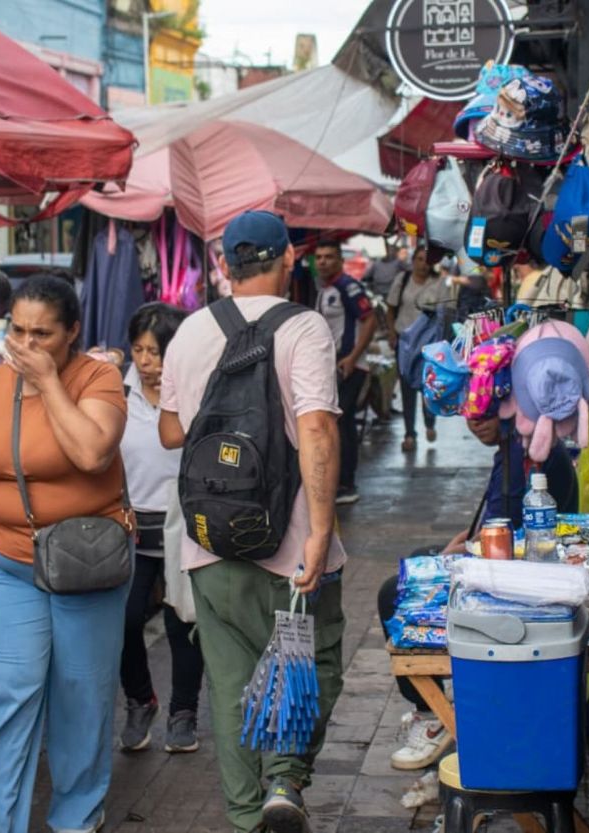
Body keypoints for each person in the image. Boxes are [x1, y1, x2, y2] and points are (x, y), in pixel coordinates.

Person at [158, 211, 346, 833]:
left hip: (208, 540)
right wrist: (320, 531)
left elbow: (171, 432)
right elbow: (316, 425)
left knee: (232, 682)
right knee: (306, 662)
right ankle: (284, 782)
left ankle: (244, 817)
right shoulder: (304, 327)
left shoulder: (187, 332)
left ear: (223, 267)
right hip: (290, 543)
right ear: (287, 258)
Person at [0, 276, 131, 833]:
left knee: (81, 696)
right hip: (9, 561)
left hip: (84, 565)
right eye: (16, 330)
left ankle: (76, 816)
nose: (24, 344)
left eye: (42, 334)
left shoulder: (98, 378)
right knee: (12, 691)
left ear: (72, 332)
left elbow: (94, 453)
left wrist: (49, 383)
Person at [378, 414, 579, 771]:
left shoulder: (524, 456)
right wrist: (461, 546)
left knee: (393, 593)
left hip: (516, 589)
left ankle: (431, 714)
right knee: (415, 560)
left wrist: (457, 555)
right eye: (470, 416)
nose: (476, 424)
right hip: (513, 570)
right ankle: (433, 710)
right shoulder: (522, 445)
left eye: (485, 414)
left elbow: (505, 547)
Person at [118, 302, 205, 755]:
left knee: (182, 621)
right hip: (129, 527)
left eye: (156, 351)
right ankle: (139, 700)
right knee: (124, 619)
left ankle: (183, 711)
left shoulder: (195, 392)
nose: (146, 361)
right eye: (139, 349)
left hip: (183, 526)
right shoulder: (116, 391)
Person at [314, 239, 376, 505]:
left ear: (340, 260)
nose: (322, 262)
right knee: (339, 423)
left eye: (328, 256)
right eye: (318, 257)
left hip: (349, 365)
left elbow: (370, 318)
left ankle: (346, 483)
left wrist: (352, 357)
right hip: (333, 364)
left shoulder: (347, 287)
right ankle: (340, 480)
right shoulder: (326, 289)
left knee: (343, 423)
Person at [386, 245, 446, 453]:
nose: (423, 264)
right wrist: (391, 333)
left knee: (428, 387)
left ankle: (430, 422)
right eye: (419, 259)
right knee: (407, 388)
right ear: (413, 261)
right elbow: (391, 308)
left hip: (429, 344)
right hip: (405, 343)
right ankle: (409, 433)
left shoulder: (439, 283)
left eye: (426, 259)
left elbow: (444, 313)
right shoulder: (402, 281)